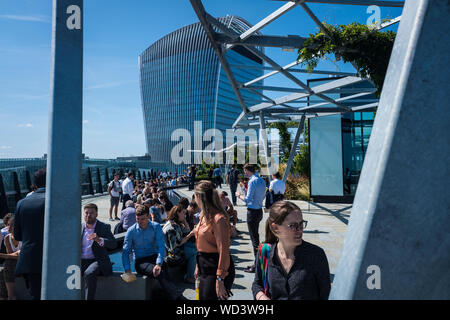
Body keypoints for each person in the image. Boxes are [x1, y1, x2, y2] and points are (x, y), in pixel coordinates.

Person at [253, 201, 331, 300]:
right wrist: (261, 297)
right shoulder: (265, 252)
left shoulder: (316, 255)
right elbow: (257, 284)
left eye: (301, 224)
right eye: (293, 226)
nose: (300, 230)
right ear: (275, 228)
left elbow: (326, 294)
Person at [122, 205, 185, 300]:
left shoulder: (156, 227)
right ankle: (178, 297)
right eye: (137, 219)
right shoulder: (131, 231)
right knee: (159, 272)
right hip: (141, 262)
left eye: (143, 219)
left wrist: (158, 263)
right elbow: (126, 251)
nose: (139, 222)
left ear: (148, 216)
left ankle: (167, 295)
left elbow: (161, 246)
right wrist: (127, 269)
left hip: (155, 257)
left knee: (163, 270)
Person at [193, 180, 235, 300]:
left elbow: (224, 250)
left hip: (216, 266)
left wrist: (220, 279)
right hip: (204, 265)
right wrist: (198, 265)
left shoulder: (218, 219)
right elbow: (200, 243)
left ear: (200, 197)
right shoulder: (203, 216)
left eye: (195, 196)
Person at [14, 168, 46, 300]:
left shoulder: (21, 203)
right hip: (57, 259)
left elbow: (18, 236)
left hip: (30, 260)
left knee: (35, 296)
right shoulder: (58, 200)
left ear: (35, 184)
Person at [81, 203, 117, 300]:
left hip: (97, 261)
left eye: (91, 213)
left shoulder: (104, 227)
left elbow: (114, 244)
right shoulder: (79, 227)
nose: (88, 215)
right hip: (81, 261)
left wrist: (99, 240)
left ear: (96, 214)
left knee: (89, 273)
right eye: (86, 213)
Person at [235, 164, 266, 273]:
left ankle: (257, 265)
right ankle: (257, 263)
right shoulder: (261, 180)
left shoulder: (252, 181)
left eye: (245, 171)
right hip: (259, 211)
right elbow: (262, 195)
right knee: (255, 237)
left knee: (254, 240)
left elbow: (248, 199)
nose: (244, 173)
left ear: (248, 171)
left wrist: (239, 195)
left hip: (252, 212)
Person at [162, 205, 197, 283]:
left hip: (179, 248)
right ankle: (189, 277)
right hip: (174, 253)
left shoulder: (176, 223)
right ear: (177, 213)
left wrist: (184, 221)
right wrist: (190, 234)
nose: (185, 215)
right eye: (183, 213)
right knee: (194, 253)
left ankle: (195, 272)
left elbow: (186, 231)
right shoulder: (171, 227)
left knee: (196, 246)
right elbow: (176, 244)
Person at [2, 217, 21, 300]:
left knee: (8, 264)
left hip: (25, 261)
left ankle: (11, 296)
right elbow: (10, 255)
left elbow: (18, 255)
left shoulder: (24, 237)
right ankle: (3, 297)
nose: (9, 228)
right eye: (8, 225)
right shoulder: (7, 238)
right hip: (14, 262)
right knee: (3, 270)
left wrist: (1, 255)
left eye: (12, 226)